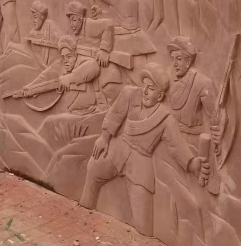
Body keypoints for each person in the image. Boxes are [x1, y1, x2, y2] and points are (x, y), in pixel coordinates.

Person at [80, 63, 209, 236]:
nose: (145, 92)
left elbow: (176, 146)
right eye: (144, 86)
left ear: (160, 95)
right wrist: (104, 137)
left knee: (143, 219)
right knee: (94, 168)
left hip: (141, 162)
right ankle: (84, 211)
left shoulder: (165, 119)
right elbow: (115, 114)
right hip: (119, 148)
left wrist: (194, 165)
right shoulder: (130, 94)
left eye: (151, 89)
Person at [78, 0, 156, 74]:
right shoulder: (119, 1)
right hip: (119, 46)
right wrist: (101, 14)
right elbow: (119, 19)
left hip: (134, 47)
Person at [14, 35, 106, 116]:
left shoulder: (84, 61)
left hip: (88, 110)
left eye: (69, 56)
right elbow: (45, 76)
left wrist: (69, 78)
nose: (65, 60)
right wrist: (29, 88)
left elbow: (93, 67)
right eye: (63, 57)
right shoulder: (60, 64)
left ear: (75, 54)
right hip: (70, 110)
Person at [167, 36, 224, 151]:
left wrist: (218, 131)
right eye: (173, 59)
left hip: (191, 142)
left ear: (188, 61)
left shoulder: (202, 82)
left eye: (179, 59)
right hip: (172, 140)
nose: (174, 64)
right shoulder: (171, 81)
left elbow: (217, 113)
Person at [65, 1, 125, 104]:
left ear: (80, 20)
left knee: (110, 95)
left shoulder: (89, 25)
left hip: (106, 71)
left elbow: (108, 24)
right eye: (70, 21)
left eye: (74, 20)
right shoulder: (78, 34)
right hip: (92, 73)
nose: (71, 25)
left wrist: (104, 50)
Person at [27, 1, 63, 67]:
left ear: (41, 17)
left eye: (35, 17)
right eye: (33, 17)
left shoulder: (50, 26)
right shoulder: (33, 32)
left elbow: (62, 42)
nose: (33, 21)